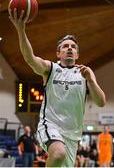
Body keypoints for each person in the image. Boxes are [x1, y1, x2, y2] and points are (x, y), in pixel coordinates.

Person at [9, 9, 106, 167]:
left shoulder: (85, 73)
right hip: (50, 125)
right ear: (58, 53)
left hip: (72, 135)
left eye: (73, 47)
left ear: (77, 55)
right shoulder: (50, 69)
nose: (69, 48)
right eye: (65, 46)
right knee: (58, 153)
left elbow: (101, 102)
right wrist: (21, 30)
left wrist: (92, 81)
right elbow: (30, 58)